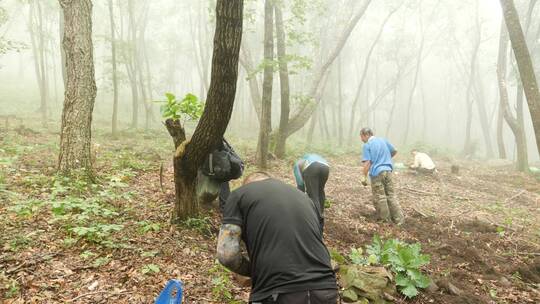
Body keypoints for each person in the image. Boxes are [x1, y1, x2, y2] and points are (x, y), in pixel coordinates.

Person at [217, 172, 338, 304]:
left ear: (248, 186)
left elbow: (227, 255)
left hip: (278, 292)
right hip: (326, 289)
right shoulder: (305, 198)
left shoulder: (239, 194)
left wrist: (253, 271)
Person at [360, 127, 404, 225]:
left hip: (377, 173)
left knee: (380, 197)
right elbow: (394, 151)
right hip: (388, 171)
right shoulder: (383, 140)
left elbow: (367, 162)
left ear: (366, 135)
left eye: (361, 136)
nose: (361, 139)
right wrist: (386, 158)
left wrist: (364, 176)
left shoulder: (367, 145)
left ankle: (385, 221)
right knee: (391, 195)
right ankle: (399, 219)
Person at [293, 154, 329, 229]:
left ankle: (317, 219)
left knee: (313, 194)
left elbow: (300, 184)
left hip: (312, 166)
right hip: (326, 167)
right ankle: (321, 213)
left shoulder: (296, 165)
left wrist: (299, 199)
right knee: (320, 191)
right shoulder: (306, 158)